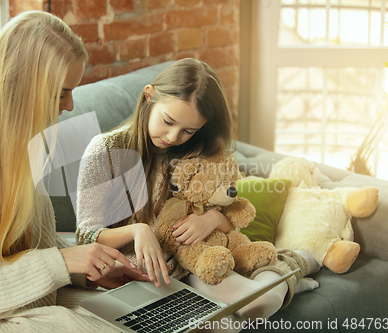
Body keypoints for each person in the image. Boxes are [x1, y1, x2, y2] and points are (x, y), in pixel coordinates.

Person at [0, 11, 148, 333]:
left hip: (33, 301)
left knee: (149, 311)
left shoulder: (18, 141)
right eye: (59, 93)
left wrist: (87, 267)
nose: (69, 106)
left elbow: (32, 251)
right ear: (21, 89)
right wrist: (64, 263)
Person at [75, 58, 320, 328]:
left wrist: (212, 219)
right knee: (224, 325)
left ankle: (292, 263)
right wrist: (138, 231)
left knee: (256, 306)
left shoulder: (195, 151)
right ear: (149, 96)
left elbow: (231, 212)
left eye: (188, 130)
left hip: (191, 263)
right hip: (138, 276)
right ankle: (291, 273)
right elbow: (85, 236)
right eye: (168, 121)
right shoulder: (105, 150)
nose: (172, 137)